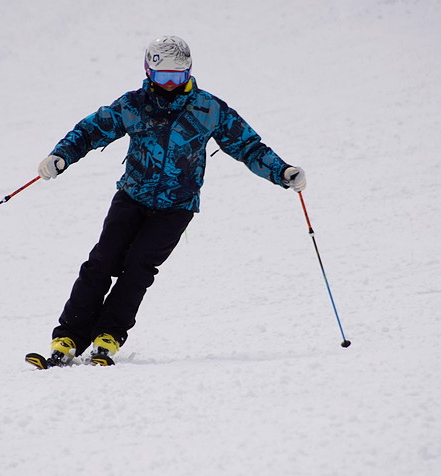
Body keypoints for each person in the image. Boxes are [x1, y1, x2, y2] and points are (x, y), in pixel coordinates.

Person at [36, 35, 306, 367]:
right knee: (101, 262)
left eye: (177, 77)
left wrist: (282, 172)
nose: (169, 84)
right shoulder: (134, 105)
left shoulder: (208, 109)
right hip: (131, 198)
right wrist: (61, 155)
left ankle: (109, 334)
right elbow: (94, 130)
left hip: (176, 208)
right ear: (148, 72)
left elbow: (248, 146)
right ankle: (69, 336)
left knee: (138, 268)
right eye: (162, 76)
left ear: (188, 73)